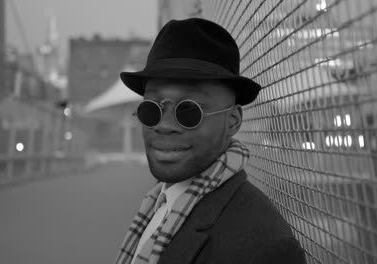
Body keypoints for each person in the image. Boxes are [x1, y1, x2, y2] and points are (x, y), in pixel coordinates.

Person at [115, 18, 306, 264]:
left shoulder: (264, 248)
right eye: (152, 109)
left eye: (189, 111)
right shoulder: (159, 202)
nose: (164, 125)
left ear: (233, 121)